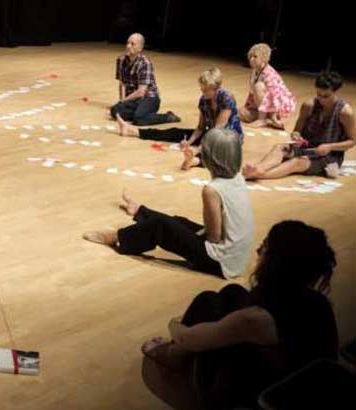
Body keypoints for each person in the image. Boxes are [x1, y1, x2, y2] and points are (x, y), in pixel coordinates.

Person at [140, 220, 338, 410]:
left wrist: (174, 324)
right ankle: (179, 353)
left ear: (275, 264)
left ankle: (173, 355)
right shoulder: (317, 301)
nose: (258, 250)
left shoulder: (256, 319)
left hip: (281, 407)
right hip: (308, 386)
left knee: (204, 315)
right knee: (229, 293)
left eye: (264, 247)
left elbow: (189, 338)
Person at [83, 129, 253, 279]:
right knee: (179, 222)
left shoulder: (212, 190)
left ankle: (117, 238)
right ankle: (139, 211)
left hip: (221, 261)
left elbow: (213, 237)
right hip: (237, 257)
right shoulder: (238, 178)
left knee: (162, 226)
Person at [116, 68, 244, 171]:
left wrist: (198, 148)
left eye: (205, 89)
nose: (202, 91)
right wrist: (189, 142)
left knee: (219, 152)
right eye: (202, 88)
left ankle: (195, 161)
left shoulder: (227, 99)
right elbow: (200, 127)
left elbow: (217, 131)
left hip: (227, 138)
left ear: (215, 88)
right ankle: (134, 132)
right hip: (209, 134)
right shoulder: (204, 100)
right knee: (175, 132)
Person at [243, 71, 355, 180]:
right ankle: (259, 169)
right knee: (280, 147)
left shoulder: (345, 112)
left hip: (329, 155)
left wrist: (330, 147)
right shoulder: (309, 105)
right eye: (318, 94)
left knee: (297, 162)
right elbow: (297, 131)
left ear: (335, 92)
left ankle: (257, 175)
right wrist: (296, 136)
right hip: (307, 147)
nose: (321, 99)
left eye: (326, 96)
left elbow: (352, 141)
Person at [110, 33, 180, 125]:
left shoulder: (145, 63)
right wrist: (121, 102)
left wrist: (123, 102)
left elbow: (141, 92)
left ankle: (167, 117)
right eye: (127, 43)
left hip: (149, 98)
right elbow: (122, 83)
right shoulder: (121, 60)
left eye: (132, 44)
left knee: (139, 119)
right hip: (133, 99)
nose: (128, 46)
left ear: (140, 48)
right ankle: (144, 114)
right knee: (114, 111)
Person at [239, 43, 296, 129]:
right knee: (239, 112)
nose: (251, 59)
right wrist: (248, 107)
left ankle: (263, 119)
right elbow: (252, 93)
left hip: (276, 108)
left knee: (259, 86)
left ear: (264, 59)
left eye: (255, 56)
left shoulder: (269, 74)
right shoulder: (254, 72)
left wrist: (273, 116)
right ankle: (267, 120)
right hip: (264, 106)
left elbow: (275, 96)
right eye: (250, 56)